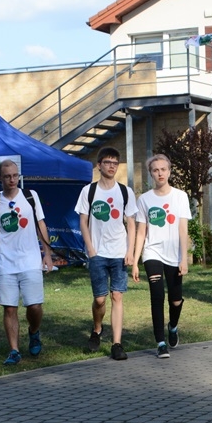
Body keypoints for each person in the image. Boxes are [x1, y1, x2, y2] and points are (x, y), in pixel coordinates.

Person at [0, 160, 54, 365]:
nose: (12, 180)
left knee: (34, 306)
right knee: (9, 308)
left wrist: (47, 254)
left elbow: (41, 225)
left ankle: (34, 331)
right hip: (5, 263)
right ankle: (14, 350)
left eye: (15, 176)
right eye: (7, 176)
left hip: (30, 261)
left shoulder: (30, 196)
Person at [75, 147, 137, 361]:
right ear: (99, 165)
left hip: (119, 252)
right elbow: (83, 222)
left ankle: (117, 344)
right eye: (108, 162)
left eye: (115, 163)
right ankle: (97, 328)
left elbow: (131, 223)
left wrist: (130, 251)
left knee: (117, 295)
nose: (112, 166)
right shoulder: (89, 191)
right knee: (100, 299)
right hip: (97, 253)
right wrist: (90, 249)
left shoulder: (125, 192)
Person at [131, 154, 191, 358]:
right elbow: (141, 232)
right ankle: (161, 343)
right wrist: (136, 262)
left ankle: (172, 327)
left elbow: (183, 230)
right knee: (157, 296)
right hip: (152, 253)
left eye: (163, 169)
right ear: (151, 174)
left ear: (169, 171)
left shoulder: (180, 197)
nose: (160, 173)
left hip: (174, 255)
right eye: (156, 170)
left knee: (176, 300)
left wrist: (183, 258)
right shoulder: (144, 199)